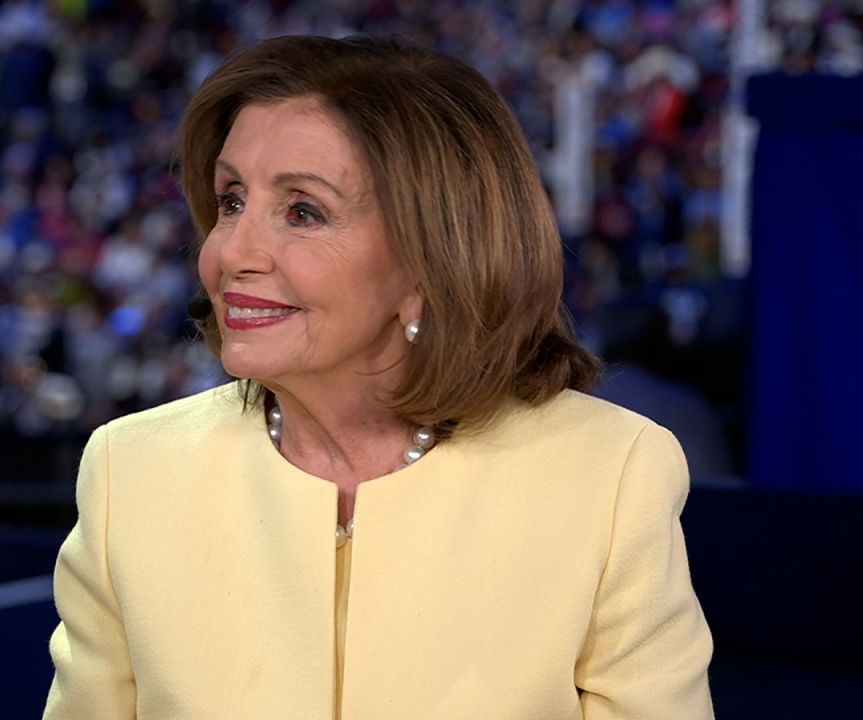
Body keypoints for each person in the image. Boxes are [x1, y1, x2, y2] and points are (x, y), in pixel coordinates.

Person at [44, 36, 714, 719]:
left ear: (433, 258)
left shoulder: (608, 477)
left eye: (303, 211)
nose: (230, 251)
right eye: (232, 200)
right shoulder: (132, 474)